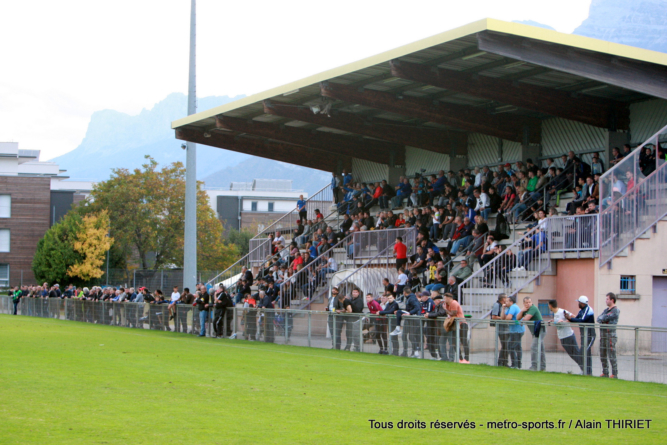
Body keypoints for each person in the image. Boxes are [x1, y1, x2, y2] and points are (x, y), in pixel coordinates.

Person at [548, 300, 582, 372]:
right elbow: (558, 320)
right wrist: (552, 320)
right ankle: (584, 369)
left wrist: (564, 322)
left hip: (568, 335)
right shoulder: (555, 313)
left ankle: (585, 369)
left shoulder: (562, 311)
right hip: (562, 337)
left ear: (550, 306)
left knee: (575, 353)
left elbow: (574, 317)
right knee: (572, 355)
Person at [565, 295, 596, 376]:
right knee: (584, 352)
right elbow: (577, 318)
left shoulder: (588, 310)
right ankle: (586, 371)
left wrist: (570, 319)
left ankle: (588, 372)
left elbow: (582, 320)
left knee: (585, 351)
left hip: (590, 335)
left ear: (582, 303)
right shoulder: (581, 310)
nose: (578, 304)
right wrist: (568, 319)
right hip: (584, 335)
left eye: (579, 302)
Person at [517, 297, 546, 371]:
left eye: (529, 302)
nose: (528, 304)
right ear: (524, 303)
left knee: (534, 347)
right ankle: (542, 367)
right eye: (526, 302)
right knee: (541, 349)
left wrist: (522, 320)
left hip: (540, 330)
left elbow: (526, 318)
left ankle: (534, 366)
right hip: (534, 332)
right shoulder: (525, 309)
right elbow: (517, 318)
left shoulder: (533, 308)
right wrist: (522, 311)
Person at [597, 292, 620, 378]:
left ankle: (614, 373)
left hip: (610, 335)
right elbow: (599, 318)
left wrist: (604, 318)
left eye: (607, 299)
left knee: (611, 354)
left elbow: (605, 317)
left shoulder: (615, 310)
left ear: (612, 300)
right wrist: (603, 319)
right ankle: (605, 372)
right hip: (603, 335)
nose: (606, 301)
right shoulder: (606, 310)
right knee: (602, 353)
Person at [505, 295, 525, 369]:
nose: (505, 302)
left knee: (510, 346)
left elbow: (508, 318)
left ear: (511, 302)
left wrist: (507, 319)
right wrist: (503, 308)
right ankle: (518, 364)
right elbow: (503, 317)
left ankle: (515, 364)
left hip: (517, 330)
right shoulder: (510, 308)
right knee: (517, 347)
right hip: (515, 330)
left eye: (507, 301)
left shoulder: (513, 307)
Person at [491, 293, 510, 367]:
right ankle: (501, 362)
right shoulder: (497, 305)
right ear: (503, 299)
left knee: (506, 346)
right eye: (506, 298)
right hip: (502, 329)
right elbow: (494, 316)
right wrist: (503, 318)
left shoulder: (505, 306)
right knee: (505, 345)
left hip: (506, 328)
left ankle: (504, 362)